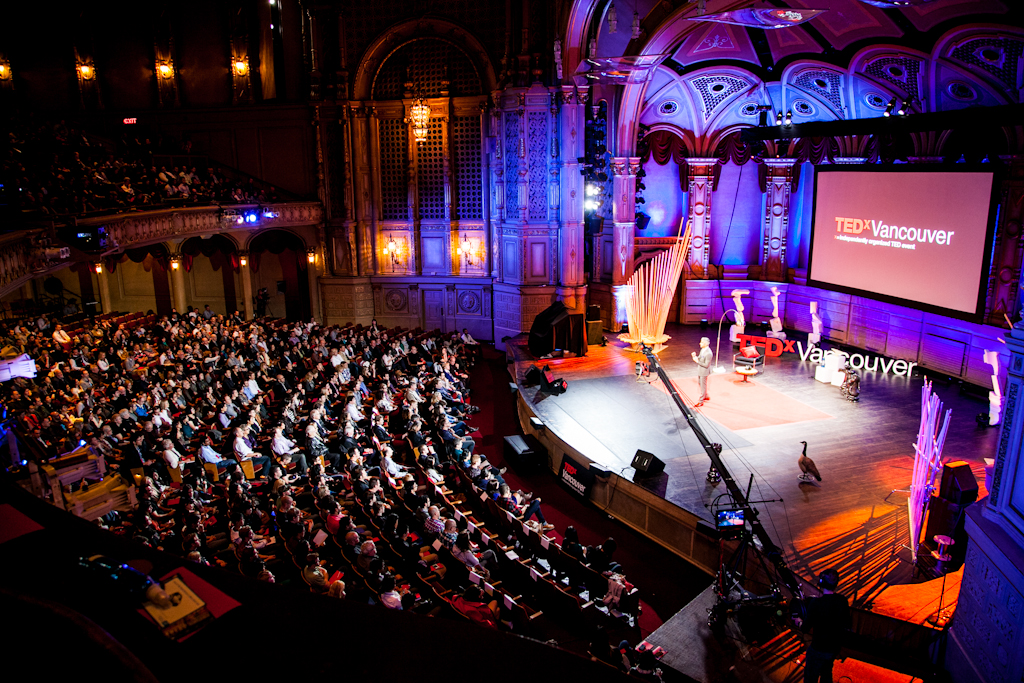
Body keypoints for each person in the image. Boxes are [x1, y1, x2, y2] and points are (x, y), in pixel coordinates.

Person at [796, 568, 850, 683]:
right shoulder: (843, 601)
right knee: (826, 674)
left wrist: (798, 621)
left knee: (811, 677)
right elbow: (846, 624)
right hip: (833, 649)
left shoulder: (816, 604)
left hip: (818, 649)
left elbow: (805, 628)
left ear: (821, 583)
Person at [691, 336, 713, 406]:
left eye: (701, 342)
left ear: (706, 344)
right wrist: (695, 357)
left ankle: (701, 401)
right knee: (700, 383)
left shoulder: (708, 353)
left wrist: (697, 361)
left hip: (704, 371)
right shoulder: (702, 350)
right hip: (701, 370)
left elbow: (706, 365)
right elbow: (700, 359)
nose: (700, 343)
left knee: (702, 385)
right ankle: (706, 395)